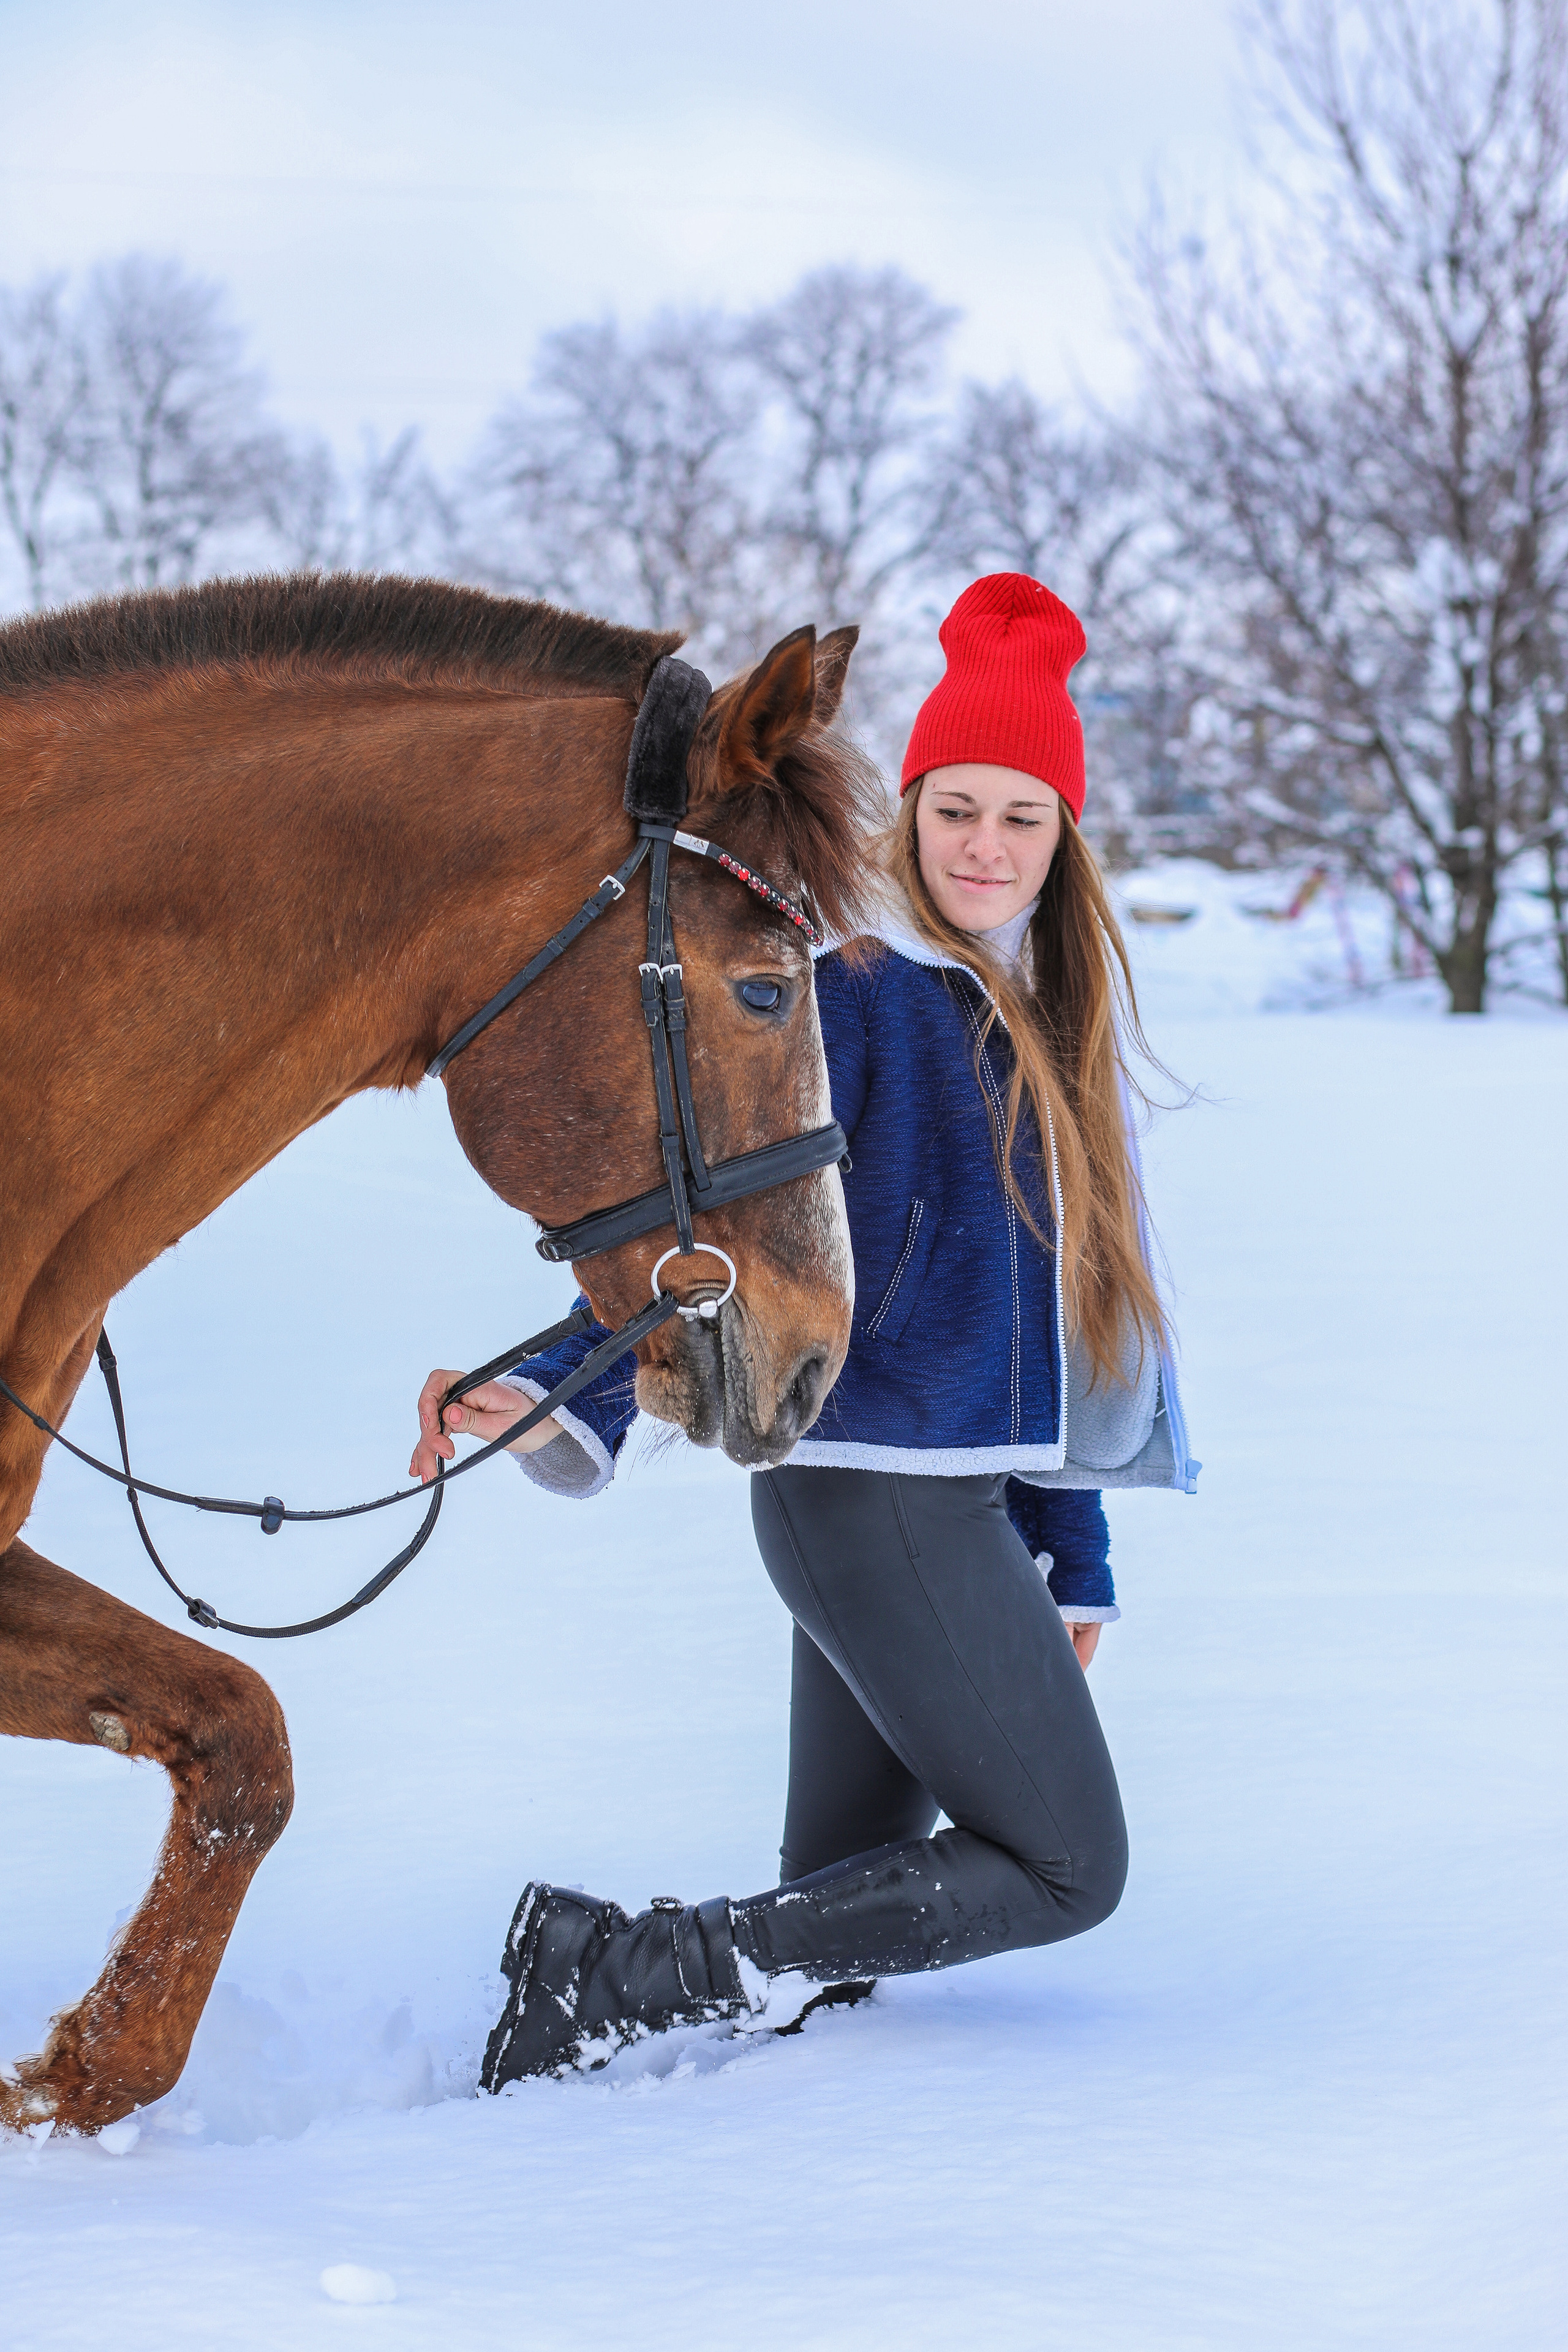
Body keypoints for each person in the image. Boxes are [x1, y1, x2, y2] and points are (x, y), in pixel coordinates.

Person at [410, 574, 1197, 2087]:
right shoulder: (864, 993)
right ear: (907, 813)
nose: (983, 844)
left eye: (1019, 817)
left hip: (926, 1510)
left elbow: (1047, 1330)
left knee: (833, 1942)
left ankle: (694, 2086)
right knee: (1062, 1869)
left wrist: (1072, 1560)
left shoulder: (1032, 1012)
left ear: (1061, 838)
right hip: (873, 1508)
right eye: (954, 807)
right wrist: (560, 1394)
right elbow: (726, 1244)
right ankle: (606, 1969)